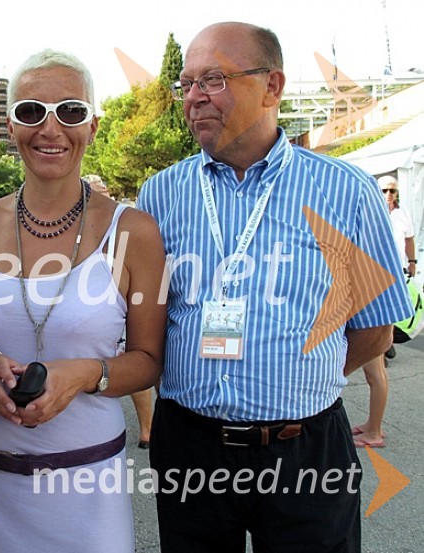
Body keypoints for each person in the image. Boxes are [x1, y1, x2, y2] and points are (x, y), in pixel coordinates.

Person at [137, 22, 411, 552]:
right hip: (191, 448)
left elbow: (377, 328)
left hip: (305, 449)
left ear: (272, 86)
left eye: (212, 79)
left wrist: (297, 379)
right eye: (186, 83)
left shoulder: (344, 190)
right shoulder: (162, 193)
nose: (193, 98)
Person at [0, 49, 166, 552]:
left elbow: (150, 361)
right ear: (10, 126)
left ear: (92, 126)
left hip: (88, 492)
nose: (50, 128)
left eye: (70, 111)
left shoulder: (133, 231)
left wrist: (86, 374)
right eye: (30, 112)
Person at [85, 174, 153, 448]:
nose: (99, 195)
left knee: (134, 364)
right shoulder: (75, 219)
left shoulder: (123, 221)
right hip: (94, 306)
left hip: (120, 306)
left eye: (102, 190)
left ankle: (147, 429)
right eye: (93, 191)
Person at [351, 175, 417, 448]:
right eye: (384, 190)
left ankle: (375, 431)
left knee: (374, 367)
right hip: (373, 289)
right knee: (375, 367)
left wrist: (412, 264)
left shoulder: (396, 216)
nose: (388, 194)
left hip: (376, 292)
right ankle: (372, 425)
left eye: (392, 190)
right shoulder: (372, 215)